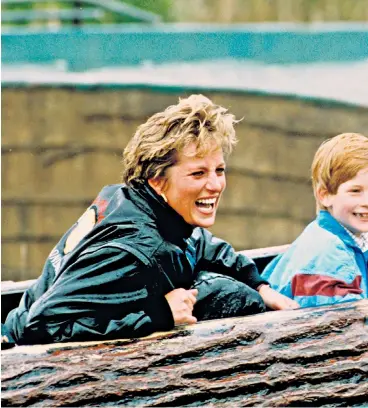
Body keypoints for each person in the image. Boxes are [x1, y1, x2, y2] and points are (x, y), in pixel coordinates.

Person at [3, 94, 298, 345]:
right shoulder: (133, 251)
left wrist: (259, 285)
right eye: (198, 173)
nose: (215, 185)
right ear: (157, 180)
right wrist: (159, 316)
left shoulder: (130, 200)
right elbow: (40, 327)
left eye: (219, 170)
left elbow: (200, 244)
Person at [262, 133, 368, 307]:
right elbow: (346, 326)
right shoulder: (333, 258)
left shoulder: (321, 233)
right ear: (325, 195)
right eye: (355, 191)